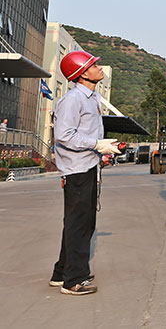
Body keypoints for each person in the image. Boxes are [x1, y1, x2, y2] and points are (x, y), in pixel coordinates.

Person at [49, 50, 120, 296]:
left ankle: (62, 273)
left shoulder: (92, 98)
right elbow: (64, 135)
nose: (99, 67)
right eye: (93, 65)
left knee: (81, 222)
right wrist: (96, 145)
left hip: (88, 166)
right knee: (79, 224)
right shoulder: (73, 100)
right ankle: (74, 280)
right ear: (82, 73)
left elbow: (87, 133)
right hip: (77, 170)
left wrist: (102, 151)